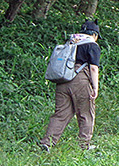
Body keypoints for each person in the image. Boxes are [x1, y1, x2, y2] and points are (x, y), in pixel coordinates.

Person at [41, 20, 101, 151]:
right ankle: (84, 145)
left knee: (61, 114)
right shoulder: (92, 45)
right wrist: (95, 87)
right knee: (85, 113)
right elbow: (93, 68)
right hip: (80, 80)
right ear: (94, 34)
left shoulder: (70, 43)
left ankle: (47, 143)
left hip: (62, 80)